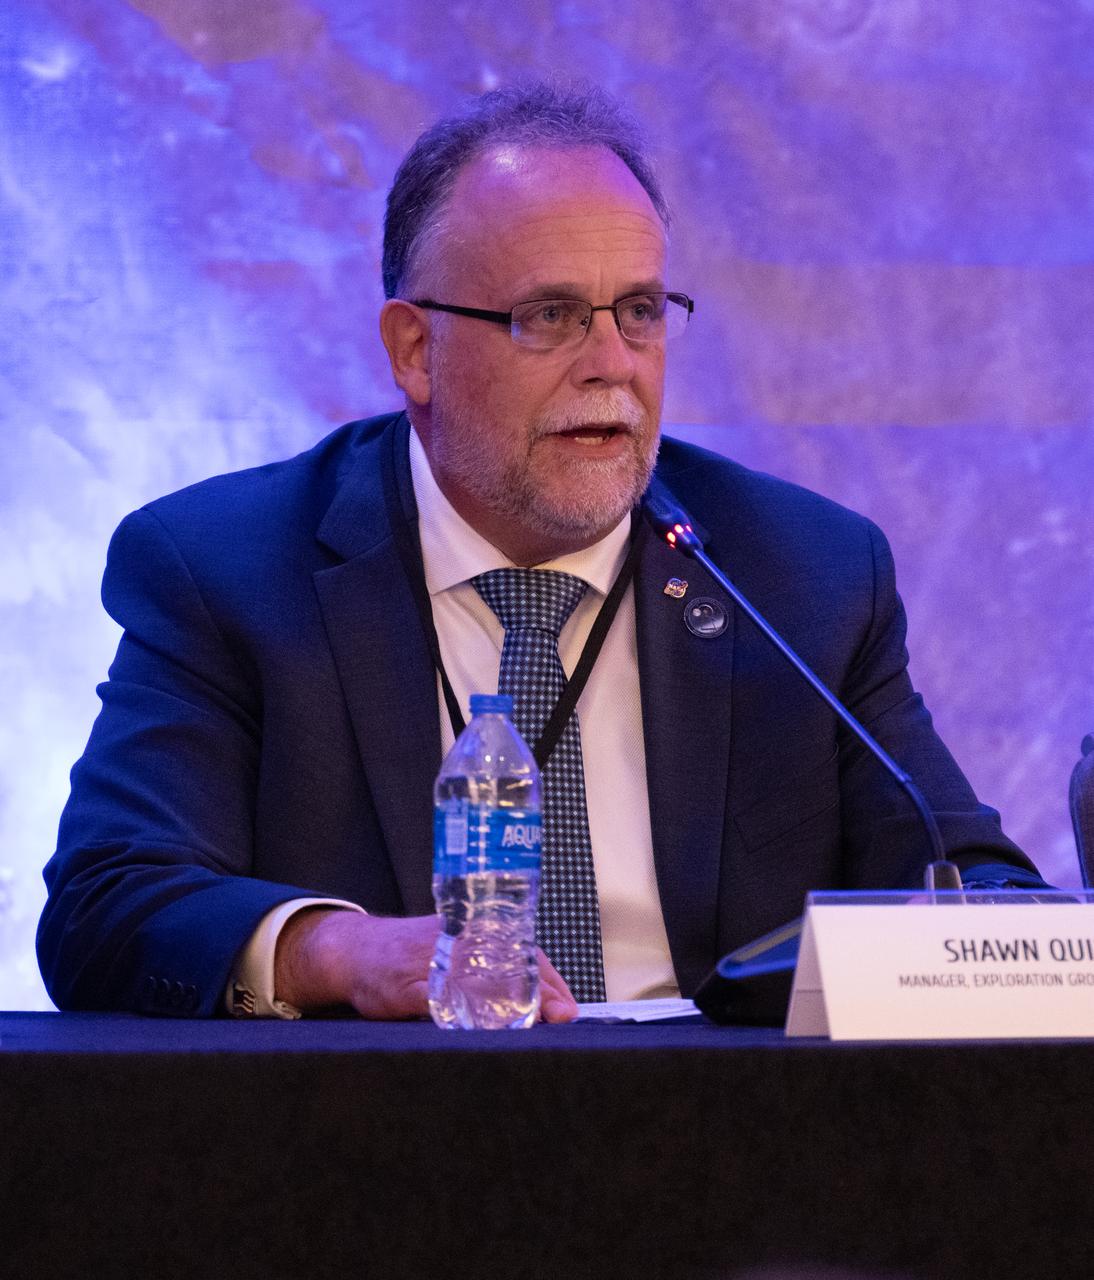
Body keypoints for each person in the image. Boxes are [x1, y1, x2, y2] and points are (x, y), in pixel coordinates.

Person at [37, 82, 1043, 1022]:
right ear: (413, 350)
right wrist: (341, 950)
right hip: (373, 1157)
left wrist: (1013, 937)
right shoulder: (226, 570)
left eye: (639, 311)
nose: (610, 364)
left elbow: (964, 882)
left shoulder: (804, 572)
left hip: (746, 1156)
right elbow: (107, 906)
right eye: (549, 316)